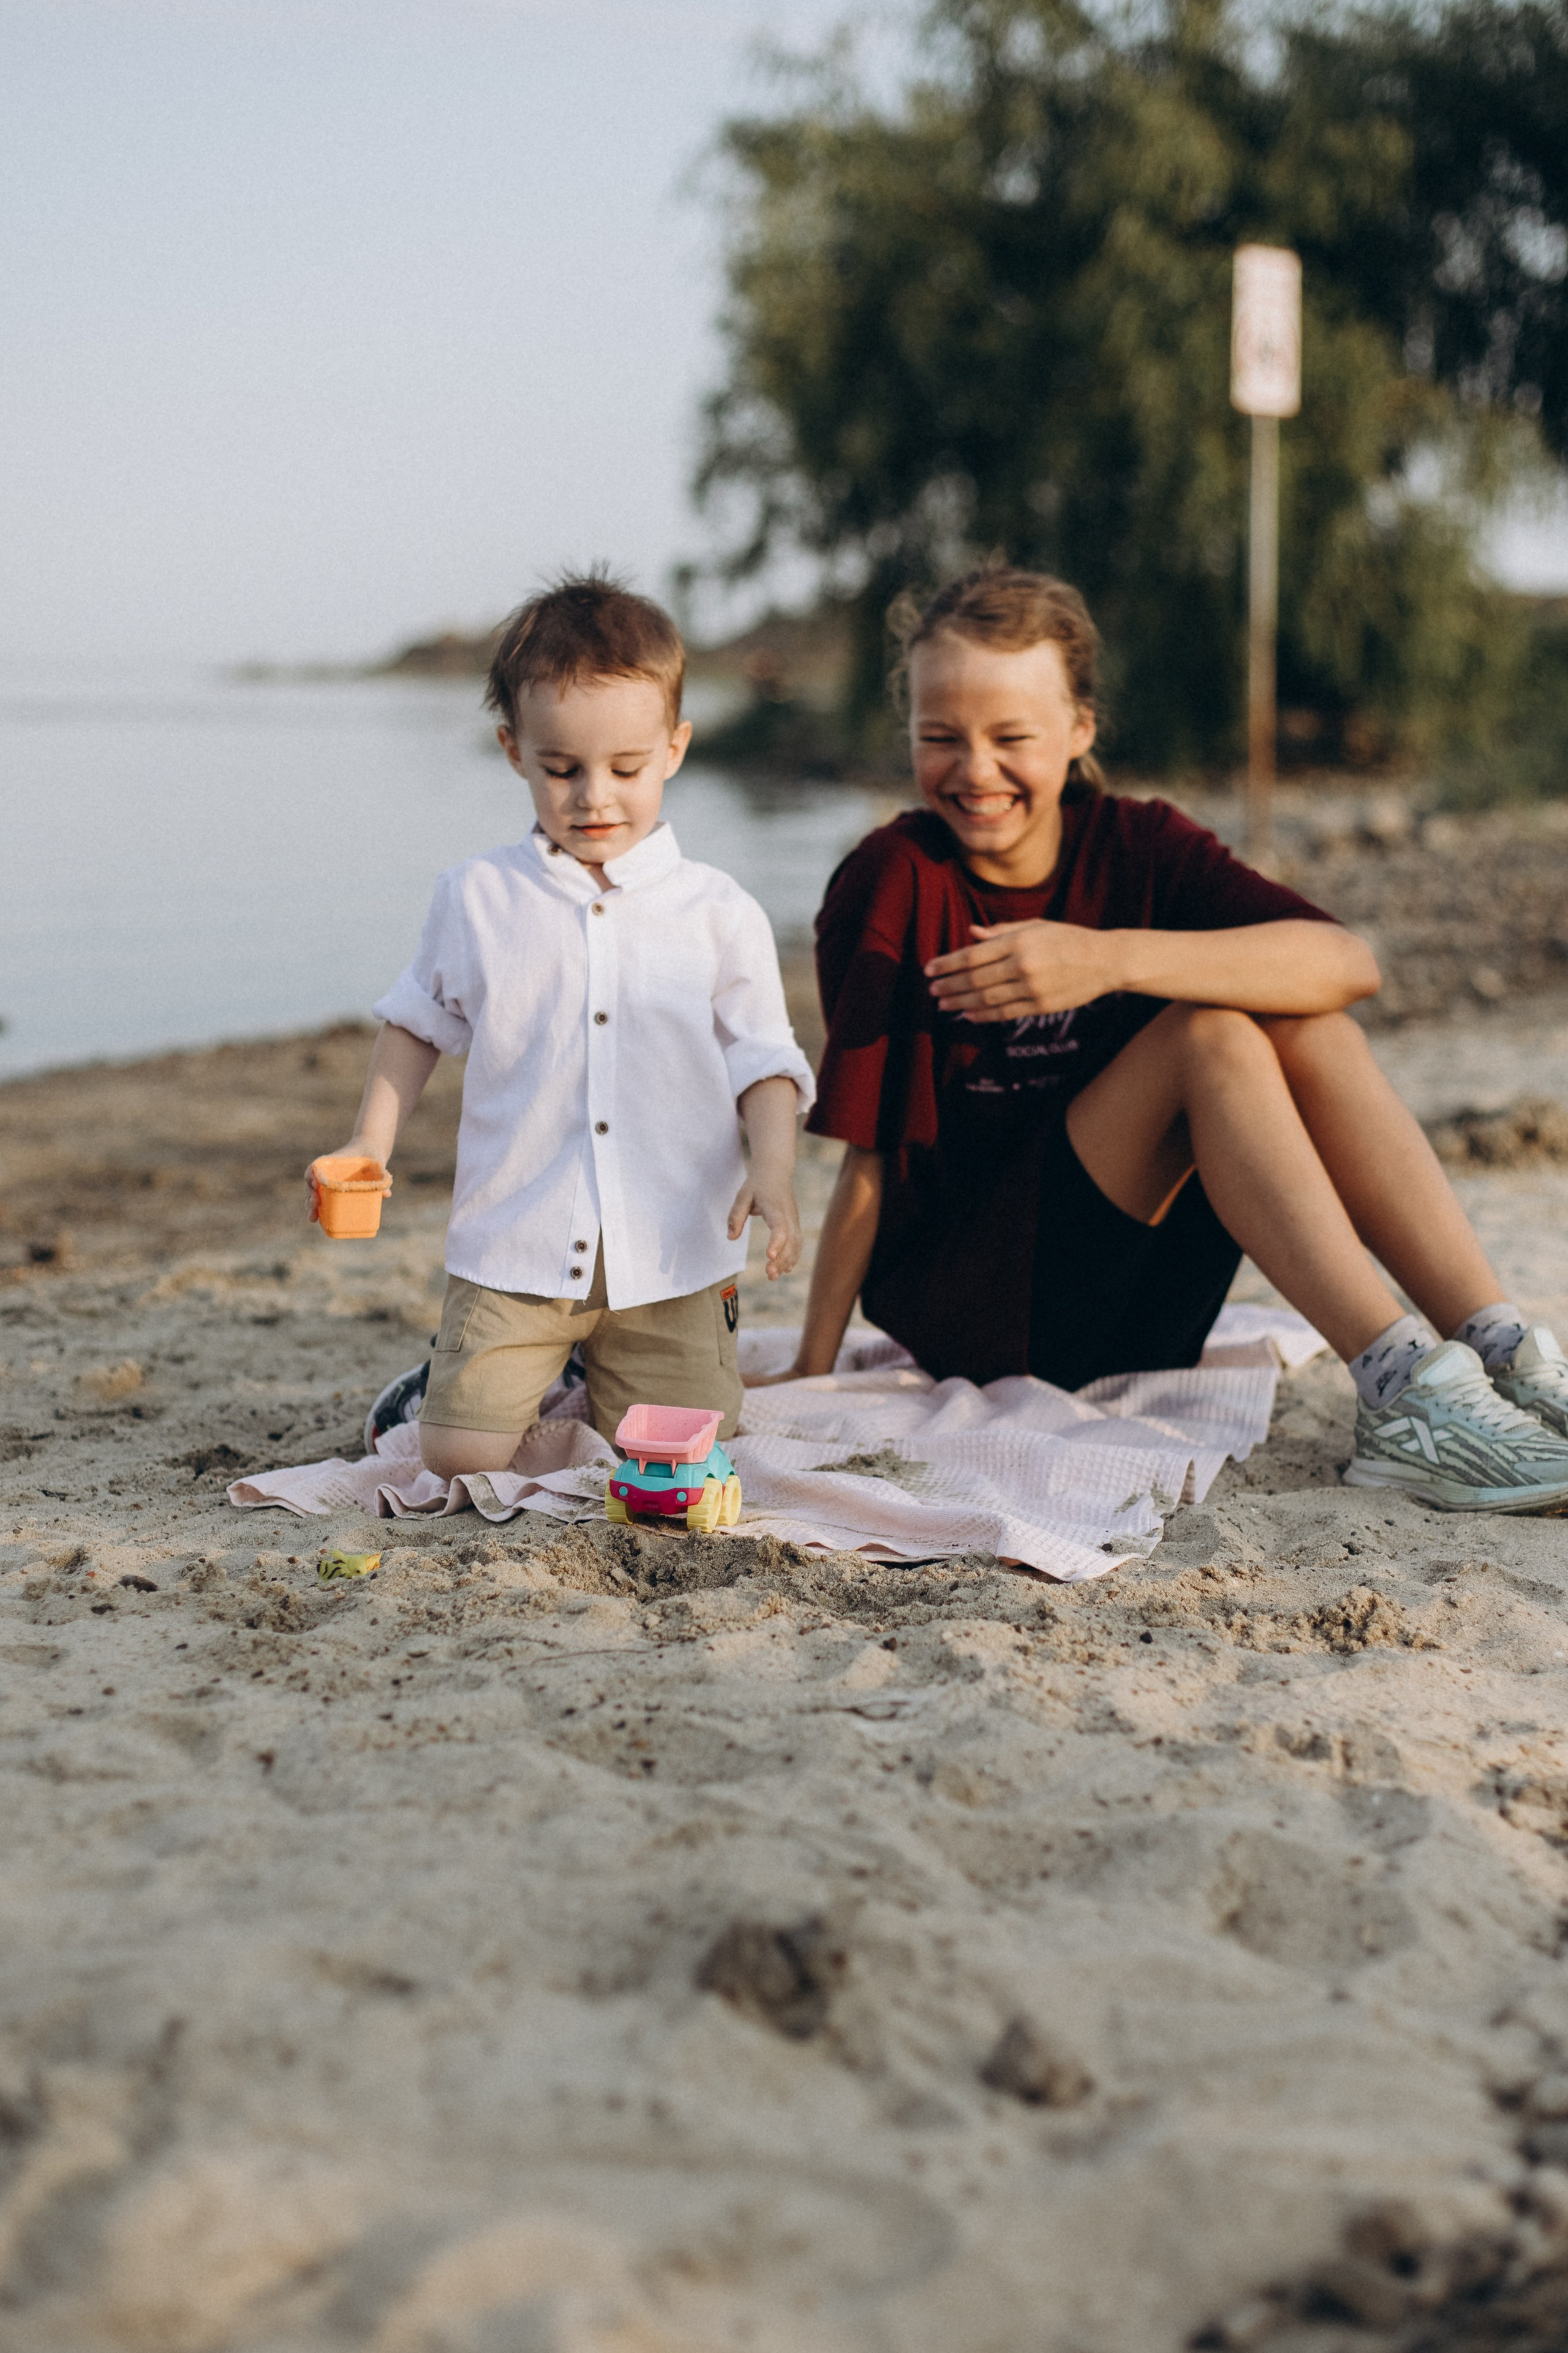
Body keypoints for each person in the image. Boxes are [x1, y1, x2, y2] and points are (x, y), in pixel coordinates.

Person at [766, 564, 1568, 1514]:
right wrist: (812, 1367)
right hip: (981, 1309)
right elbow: (867, 1160)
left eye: (1010, 737)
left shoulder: (1139, 844)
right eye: (940, 737)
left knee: (1304, 1023)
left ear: (1080, 731)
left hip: (1143, 1302)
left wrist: (1106, 960)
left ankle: (1499, 1353)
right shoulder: (893, 879)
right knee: (1211, 1038)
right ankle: (1404, 1392)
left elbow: (1347, 962)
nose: (974, 769)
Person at [313, 572, 814, 1473]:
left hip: (673, 1254)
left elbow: (764, 1059)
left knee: (687, 1455)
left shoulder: (717, 911)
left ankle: (597, 1365)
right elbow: (417, 1025)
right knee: (460, 1457)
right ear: (514, 750)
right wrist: (369, 1141)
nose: (595, 797)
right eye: (562, 769)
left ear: (676, 747)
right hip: (520, 1243)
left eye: (626, 769)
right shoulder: (478, 897)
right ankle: (456, 1380)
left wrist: (773, 1168)